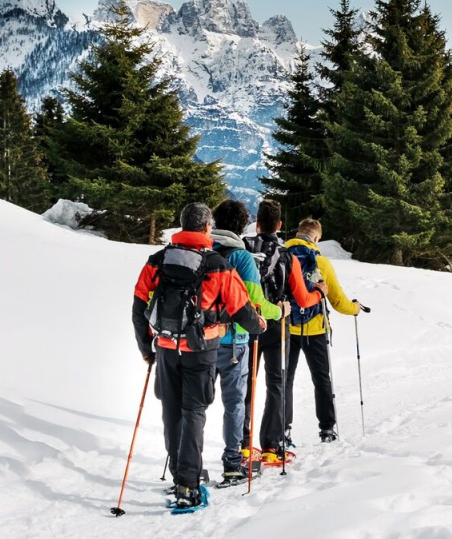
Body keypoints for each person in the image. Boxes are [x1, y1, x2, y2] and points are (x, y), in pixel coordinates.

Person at [132, 202, 264, 510]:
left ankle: (181, 474)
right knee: (194, 413)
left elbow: (139, 306)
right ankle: (187, 487)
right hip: (201, 349)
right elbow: (241, 308)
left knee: (172, 411)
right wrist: (259, 324)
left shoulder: (158, 259)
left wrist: (145, 348)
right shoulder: (217, 263)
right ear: (206, 227)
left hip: (165, 347)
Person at [245, 199, 325, 464]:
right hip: (279, 325)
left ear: (256, 224)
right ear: (280, 226)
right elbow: (302, 299)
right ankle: (272, 444)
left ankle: (242, 444)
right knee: (276, 383)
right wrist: (318, 294)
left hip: (248, 322)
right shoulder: (287, 256)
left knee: (247, 382)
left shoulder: (244, 249)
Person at [209, 199, 275, 486]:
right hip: (234, 340)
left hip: (201, 340)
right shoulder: (241, 258)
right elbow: (254, 303)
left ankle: (187, 464)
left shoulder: (201, 251)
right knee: (234, 403)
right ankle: (232, 464)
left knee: (196, 404)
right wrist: (278, 311)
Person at [284, 218, 366, 445]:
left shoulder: (282, 256)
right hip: (315, 329)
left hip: (287, 328)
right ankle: (327, 429)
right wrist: (355, 308)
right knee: (321, 379)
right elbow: (338, 301)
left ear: (297, 233)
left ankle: (284, 430)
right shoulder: (321, 263)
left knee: (285, 380)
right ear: (317, 238)